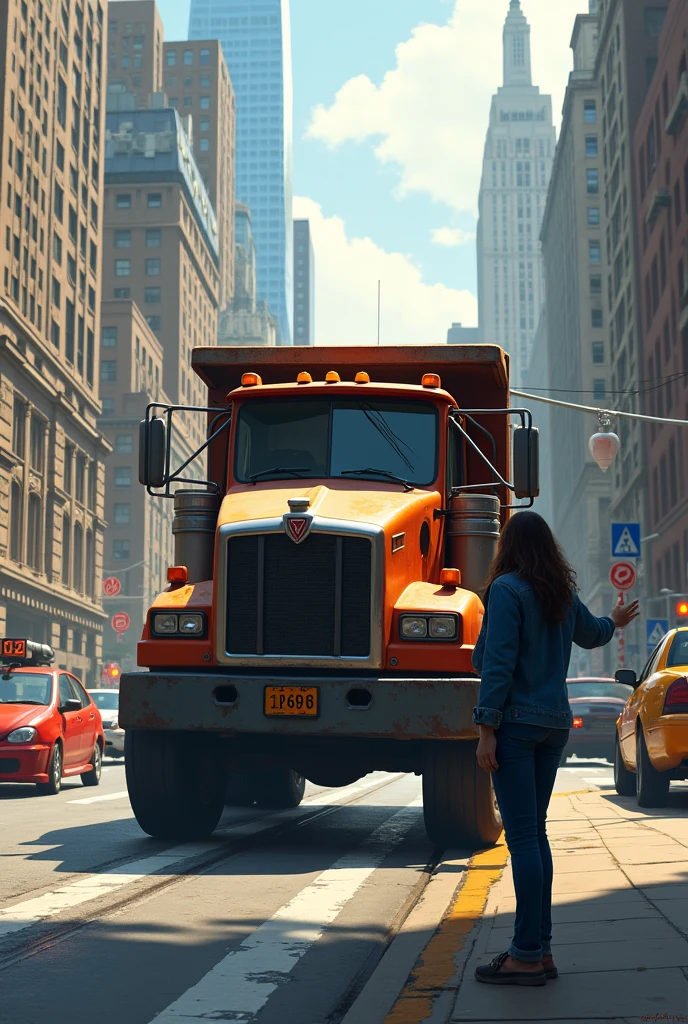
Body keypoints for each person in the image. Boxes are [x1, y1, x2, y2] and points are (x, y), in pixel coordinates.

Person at [471, 511, 638, 987]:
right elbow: (594, 633)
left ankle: (524, 953)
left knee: (524, 838)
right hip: (554, 726)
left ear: (509, 546)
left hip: (517, 726)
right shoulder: (561, 595)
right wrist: (617, 619)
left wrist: (487, 728)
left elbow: (497, 663)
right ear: (548, 548)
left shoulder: (505, 591)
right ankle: (540, 950)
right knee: (535, 834)